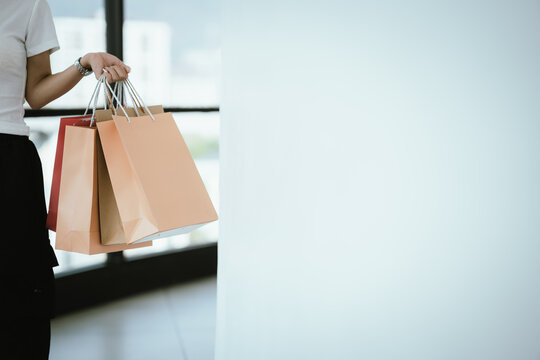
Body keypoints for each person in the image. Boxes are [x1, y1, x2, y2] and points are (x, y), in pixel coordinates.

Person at [0, 0, 131, 358]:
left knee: (18, 305)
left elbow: (35, 92)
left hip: (9, 166)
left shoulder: (27, 5)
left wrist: (83, 64)